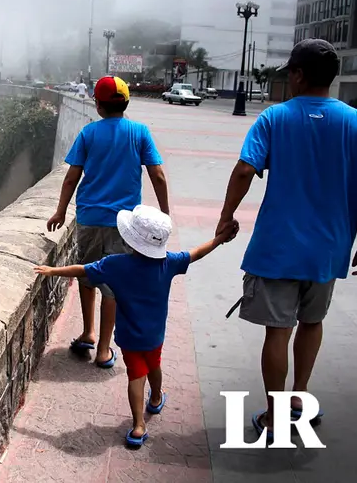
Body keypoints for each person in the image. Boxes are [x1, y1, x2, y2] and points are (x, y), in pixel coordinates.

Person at [216, 38, 357, 440]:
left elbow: (245, 170)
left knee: (278, 332)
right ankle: (300, 397)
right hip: (329, 249)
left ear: (298, 74)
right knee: (313, 322)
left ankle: (276, 415)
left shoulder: (274, 118)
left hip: (278, 248)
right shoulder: (354, 122)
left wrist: (226, 218)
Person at [37, 205, 237, 446]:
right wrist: (219, 239)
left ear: (130, 239)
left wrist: (53, 270)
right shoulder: (169, 262)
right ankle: (155, 399)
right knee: (154, 365)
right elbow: (196, 253)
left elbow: (82, 269)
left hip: (129, 336)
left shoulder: (115, 264)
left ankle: (138, 426)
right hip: (155, 334)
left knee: (135, 376)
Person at [47, 76, 170, 368]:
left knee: (88, 275)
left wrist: (60, 211)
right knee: (114, 285)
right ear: (126, 103)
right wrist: (164, 214)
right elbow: (158, 176)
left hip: (90, 217)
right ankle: (104, 348)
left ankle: (87, 331)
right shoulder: (140, 132)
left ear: (98, 105)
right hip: (124, 226)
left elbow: (71, 177)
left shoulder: (89, 133)